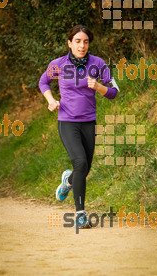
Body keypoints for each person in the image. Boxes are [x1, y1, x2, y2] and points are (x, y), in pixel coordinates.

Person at [39, 25, 119, 229]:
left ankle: (68, 181)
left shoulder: (98, 63)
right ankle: (80, 215)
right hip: (67, 121)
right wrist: (50, 99)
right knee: (80, 162)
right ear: (69, 43)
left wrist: (99, 87)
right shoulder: (58, 64)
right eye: (77, 41)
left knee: (83, 169)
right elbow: (43, 82)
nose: (82, 45)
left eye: (85, 42)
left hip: (89, 122)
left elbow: (114, 91)